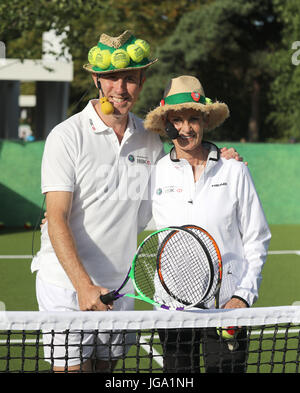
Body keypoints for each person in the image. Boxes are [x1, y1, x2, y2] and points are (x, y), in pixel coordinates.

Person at [32, 30, 244, 373]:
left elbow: (183, 167)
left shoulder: (150, 140)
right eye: (112, 78)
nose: (120, 88)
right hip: (67, 288)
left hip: (119, 289)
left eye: (130, 79)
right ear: (97, 80)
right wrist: (83, 287)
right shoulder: (66, 136)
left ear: (142, 81)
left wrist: (222, 156)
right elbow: (56, 217)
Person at [144, 75, 272, 373]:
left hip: (227, 306)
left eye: (193, 118)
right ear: (166, 124)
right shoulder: (155, 172)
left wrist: (243, 296)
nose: (185, 128)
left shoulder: (235, 170)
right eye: (177, 119)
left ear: (204, 121)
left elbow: (257, 238)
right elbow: (123, 218)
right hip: (172, 308)